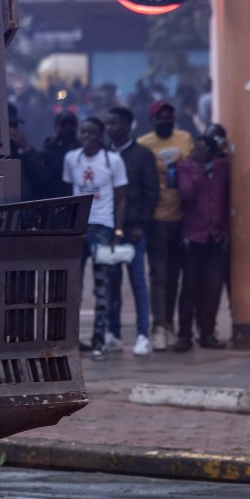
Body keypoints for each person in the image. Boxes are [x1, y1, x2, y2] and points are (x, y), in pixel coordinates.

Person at [63, 116, 128, 359]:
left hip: (103, 228)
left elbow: (121, 198)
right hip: (79, 227)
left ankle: (99, 339)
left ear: (101, 137)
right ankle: (72, 340)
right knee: (73, 286)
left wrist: (118, 233)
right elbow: (67, 193)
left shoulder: (113, 161)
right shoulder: (71, 159)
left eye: (92, 133)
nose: (87, 137)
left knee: (103, 287)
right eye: (84, 132)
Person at [138, 99, 196, 351]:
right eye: (159, 117)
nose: (165, 120)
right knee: (159, 275)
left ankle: (170, 325)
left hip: (184, 218)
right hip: (157, 218)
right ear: (152, 120)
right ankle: (158, 326)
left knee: (175, 276)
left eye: (168, 116)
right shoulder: (144, 144)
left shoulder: (185, 139)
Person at [104, 106, 160, 356]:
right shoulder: (103, 154)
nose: (110, 128)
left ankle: (142, 335)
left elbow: (152, 193)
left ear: (128, 126)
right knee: (111, 282)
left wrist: (141, 224)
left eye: (115, 123)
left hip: (134, 229)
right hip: (109, 229)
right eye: (108, 124)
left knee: (138, 282)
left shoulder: (142, 155)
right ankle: (113, 333)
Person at [175, 135, 230, 350]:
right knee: (189, 286)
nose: (202, 151)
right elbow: (187, 193)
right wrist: (197, 165)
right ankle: (184, 335)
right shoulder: (185, 166)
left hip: (215, 236)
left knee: (212, 287)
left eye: (206, 148)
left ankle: (207, 332)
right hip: (193, 235)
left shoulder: (223, 168)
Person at [6, 103, 51, 202]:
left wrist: (25, 147)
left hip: (23, 209)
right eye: (9, 125)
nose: (13, 130)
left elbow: (42, 178)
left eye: (14, 125)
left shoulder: (21, 150)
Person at [39, 111, 80, 198]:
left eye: (70, 126)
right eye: (63, 126)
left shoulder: (82, 150)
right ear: (56, 127)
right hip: (54, 198)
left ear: (76, 127)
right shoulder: (48, 150)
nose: (67, 129)